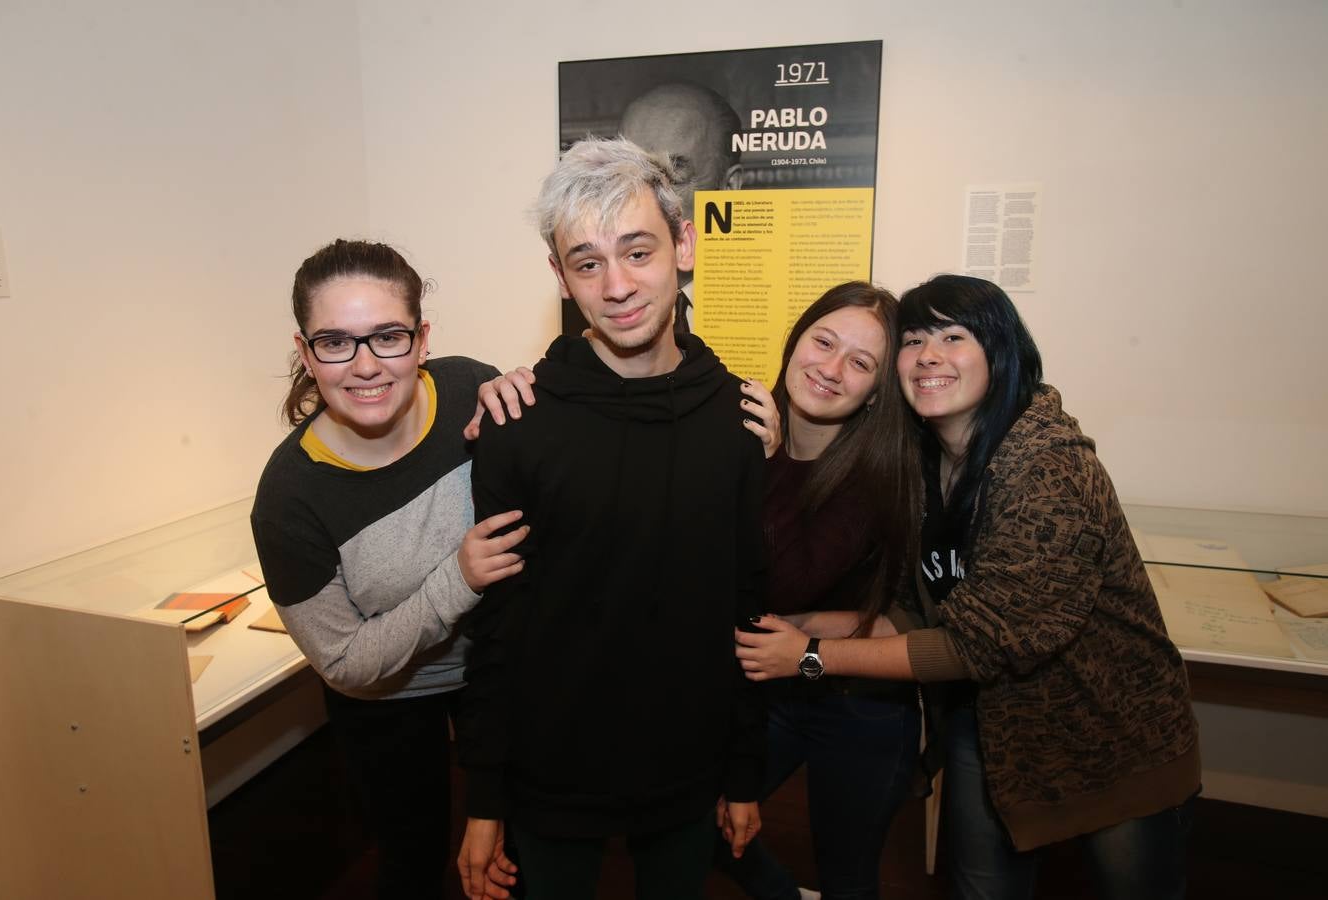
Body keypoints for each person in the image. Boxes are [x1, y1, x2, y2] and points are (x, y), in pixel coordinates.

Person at [736, 274, 1201, 900]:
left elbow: (978, 643)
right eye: (915, 340)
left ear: (1000, 354)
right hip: (989, 727)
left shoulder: (1047, 469)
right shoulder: (924, 461)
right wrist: (810, 628)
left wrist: (812, 655)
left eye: (954, 337)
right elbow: (917, 610)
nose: (929, 355)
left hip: (1108, 736)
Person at [468, 280, 924, 900]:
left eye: (861, 362)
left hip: (854, 703)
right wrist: (514, 385)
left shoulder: (868, 470)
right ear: (796, 341)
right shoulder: (741, 414)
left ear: (877, 390)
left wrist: (767, 463)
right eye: (823, 341)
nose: (832, 368)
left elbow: (779, 582)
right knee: (716, 835)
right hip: (758, 680)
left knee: (845, 870)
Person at [454, 137, 767, 900]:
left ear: (683, 246)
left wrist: (744, 772)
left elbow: (746, 609)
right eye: (587, 263)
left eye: (637, 252)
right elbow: (498, 629)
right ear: (559, 276)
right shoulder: (518, 423)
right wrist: (485, 800)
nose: (618, 285)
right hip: (553, 770)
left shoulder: (738, 421)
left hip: (689, 764)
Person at [250, 239, 527, 900]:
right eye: (335, 342)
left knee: (518, 850)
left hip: (500, 667)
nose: (366, 364)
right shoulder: (288, 498)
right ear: (305, 352)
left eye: (388, 336)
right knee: (412, 857)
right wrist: (460, 577)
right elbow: (344, 662)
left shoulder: (470, 391)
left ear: (423, 340)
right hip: (389, 696)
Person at [614, 81, 743, 334]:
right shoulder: (593, 302)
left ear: (729, 187)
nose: (642, 200)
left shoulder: (761, 299)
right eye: (626, 176)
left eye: (672, 177)